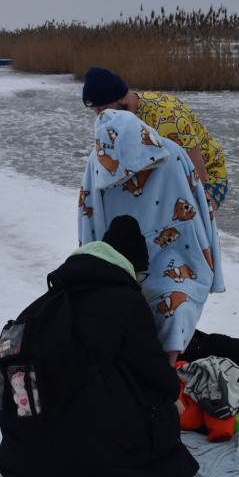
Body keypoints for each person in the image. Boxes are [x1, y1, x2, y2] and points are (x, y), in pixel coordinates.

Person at [0, 215, 199, 477]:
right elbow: (156, 374)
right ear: (132, 267)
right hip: (95, 462)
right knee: (156, 412)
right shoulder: (127, 301)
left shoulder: (51, 298)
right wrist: (171, 397)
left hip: (23, 455)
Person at [78, 108, 225, 365]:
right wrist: (91, 266)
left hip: (175, 254)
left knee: (175, 308)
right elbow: (88, 215)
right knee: (109, 307)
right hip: (120, 259)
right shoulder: (97, 164)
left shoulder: (172, 153)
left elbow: (200, 210)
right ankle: (130, 367)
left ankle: (166, 369)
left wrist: (209, 258)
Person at [82, 67, 229, 212]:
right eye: (95, 111)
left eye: (103, 108)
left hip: (210, 176)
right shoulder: (118, 119)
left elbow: (199, 175)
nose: (101, 116)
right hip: (167, 172)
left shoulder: (170, 119)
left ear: (119, 96)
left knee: (185, 216)